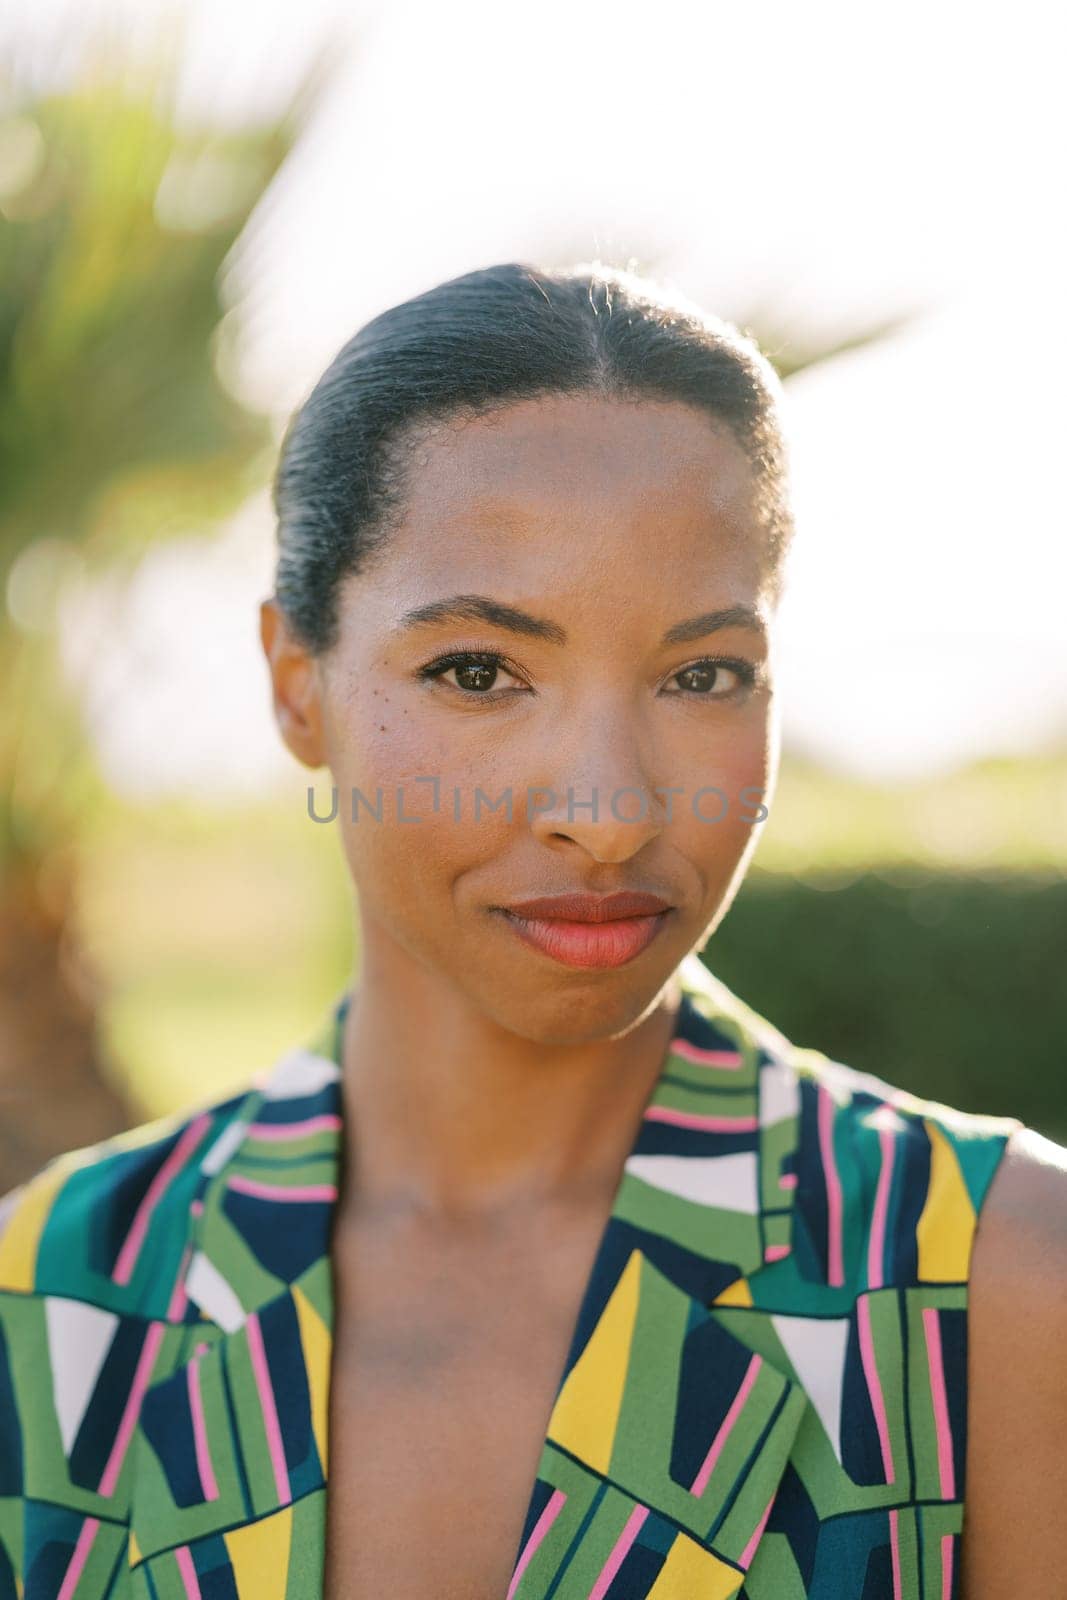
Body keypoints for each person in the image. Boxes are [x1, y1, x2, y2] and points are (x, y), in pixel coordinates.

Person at [0, 262, 1064, 1600]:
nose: (609, 813)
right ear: (296, 687)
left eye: (702, 675)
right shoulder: (53, 1303)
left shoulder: (991, 1285)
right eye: (479, 671)